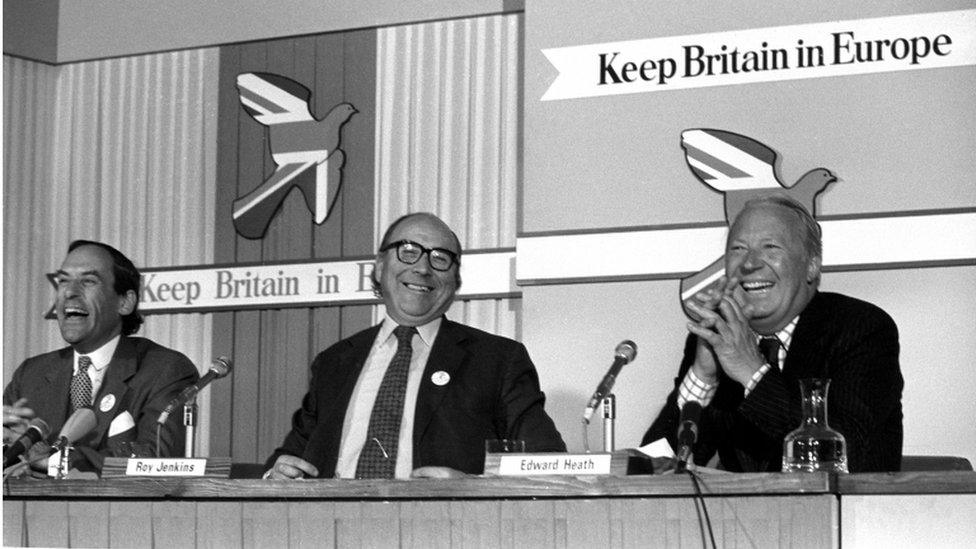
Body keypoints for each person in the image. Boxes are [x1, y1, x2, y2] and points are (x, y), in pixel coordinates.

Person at [266, 212, 565, 479]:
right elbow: (290, 459)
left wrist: (472, 488)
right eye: (408, 251)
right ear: (380, 266)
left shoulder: (497, 360)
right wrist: (275, 475)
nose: (423, 267)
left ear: (455, 279)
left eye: (440, 258)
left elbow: (547, 463)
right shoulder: (334, 363)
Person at [642, 195, 903, 472]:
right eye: (738, 249)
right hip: (740, 515)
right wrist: (703, 376)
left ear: (812, 265)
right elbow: (654, 468)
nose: (750, 264)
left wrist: (751, 370)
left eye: (770, 247)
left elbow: (849, 457)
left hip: (841, 513)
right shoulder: (721, 338)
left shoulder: (860, 328)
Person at [3, 240, 199, 473]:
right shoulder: (31, 375)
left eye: (88, 281)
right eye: (63, 280)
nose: (69, 292)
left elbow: (155, 458)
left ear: (124, 302)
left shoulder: (165, 370)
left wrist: (53, 462)